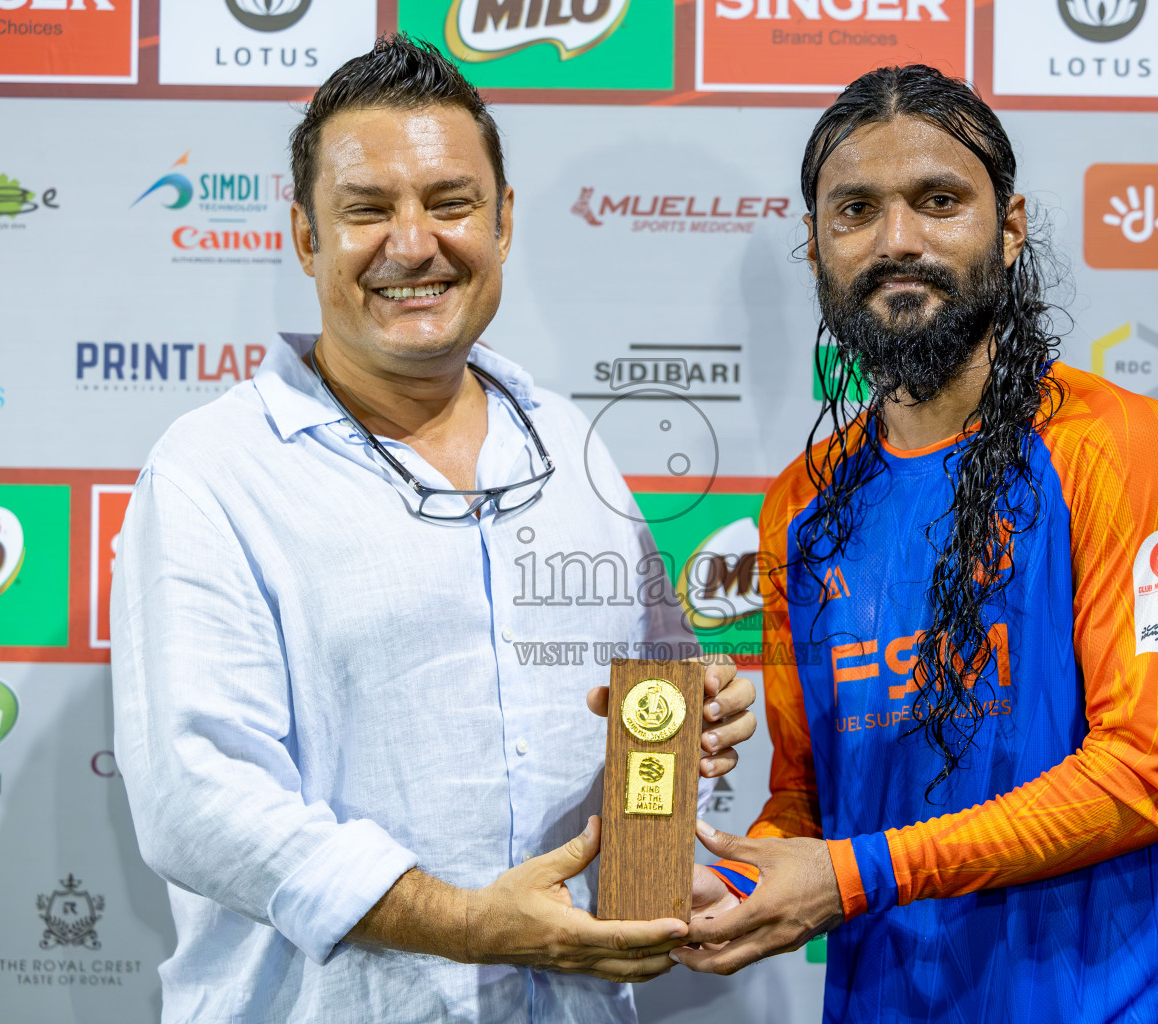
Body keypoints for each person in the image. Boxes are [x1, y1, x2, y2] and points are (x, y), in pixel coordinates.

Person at [110, 35, 756, 1024]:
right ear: (302, 234)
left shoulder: (573, 444)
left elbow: (660, 699)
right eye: (367, 209)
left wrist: (676, 785)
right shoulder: (213, 471)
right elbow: (199, 801)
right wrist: (464, 922)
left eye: (450, 203)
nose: (414, 243)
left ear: (502, 223)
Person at [679, 65, 1158, 1022]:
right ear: (814, 246)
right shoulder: (797, 507)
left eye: (939, 201)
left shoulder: (1122, 449)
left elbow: (1145, 777)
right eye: (855, 211)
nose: (898, 242)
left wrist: (852, 877)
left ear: (1009, 229)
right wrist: (714, 888)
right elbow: (810, 806)